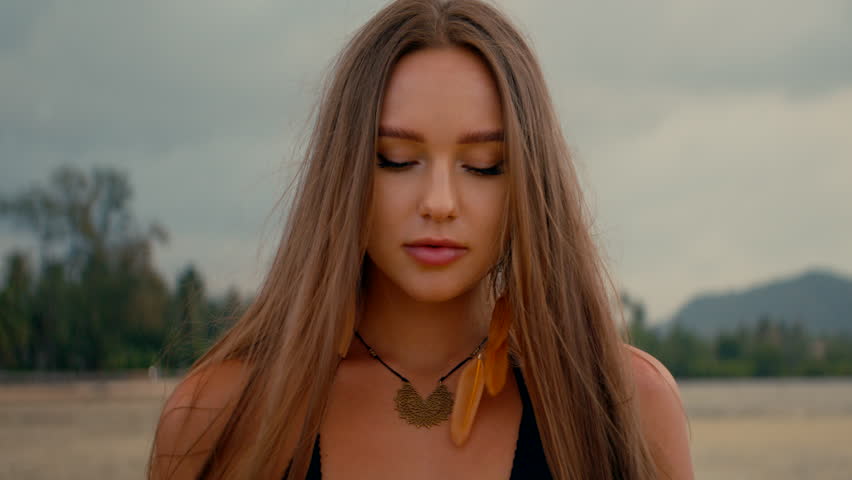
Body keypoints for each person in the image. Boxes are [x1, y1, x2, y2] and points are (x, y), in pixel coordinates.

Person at [148, 0, 693, 478]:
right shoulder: (215, 417)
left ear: (529, 184)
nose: (438, 201)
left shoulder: (623, 405)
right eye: (397, 160)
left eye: (484, 166)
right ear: (345, 173)